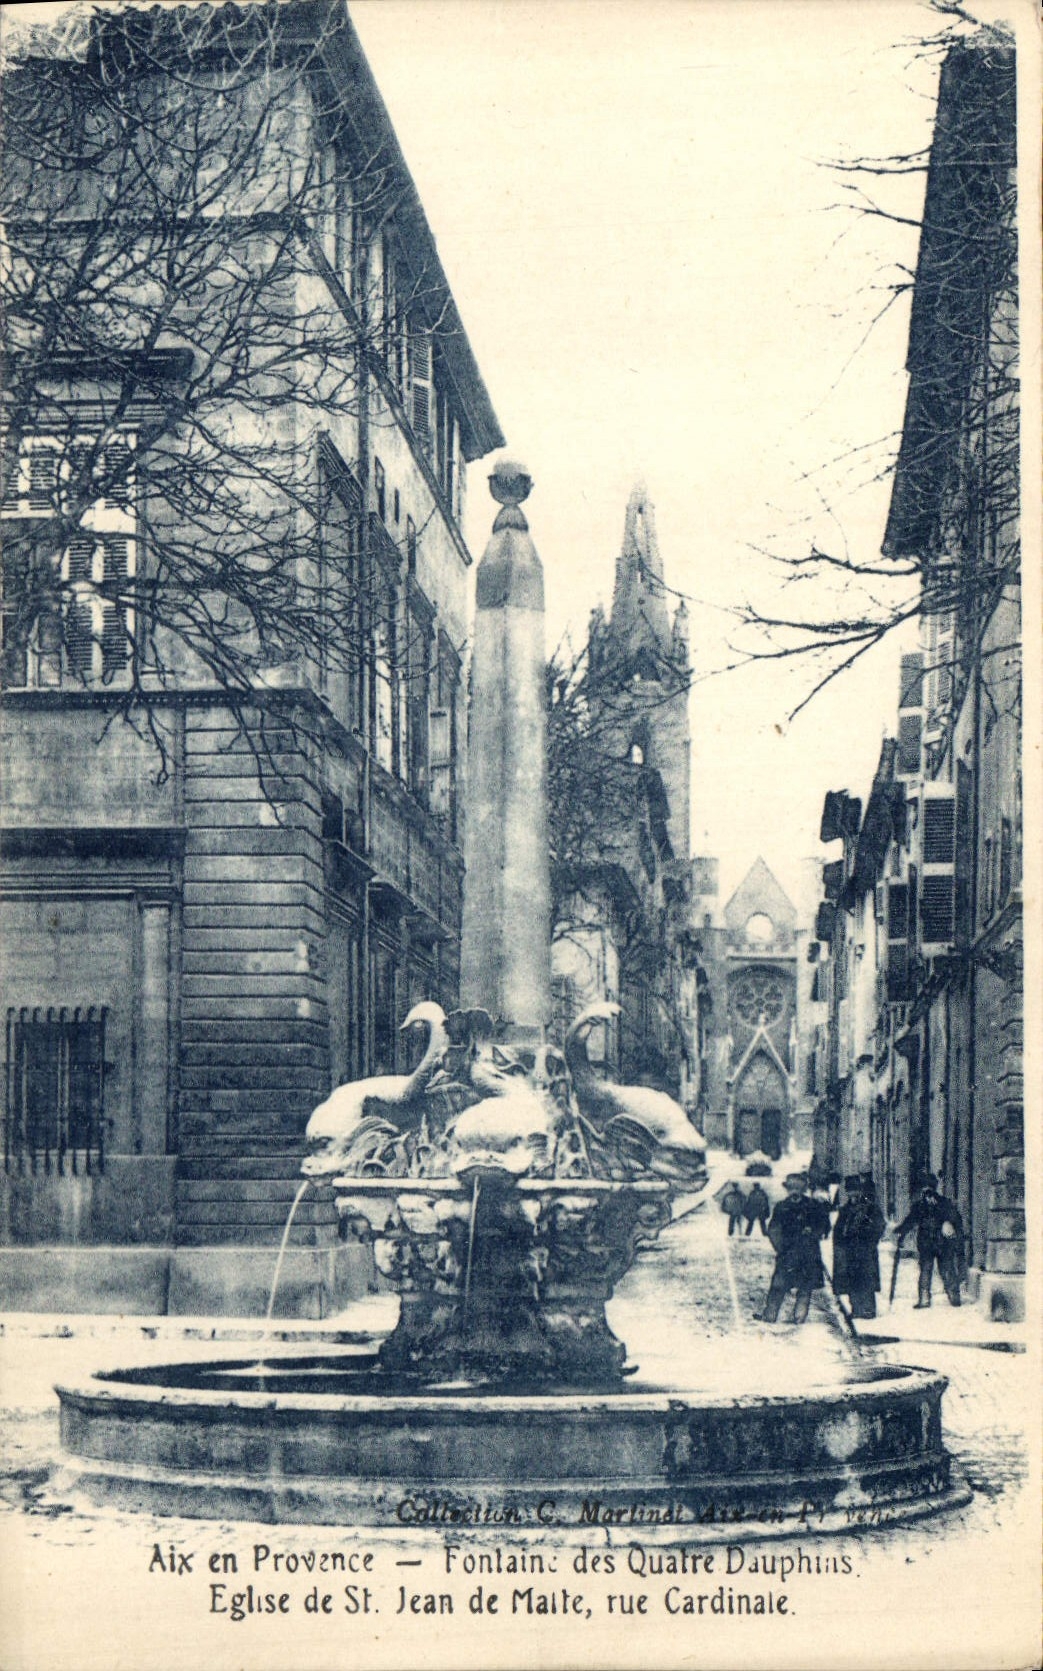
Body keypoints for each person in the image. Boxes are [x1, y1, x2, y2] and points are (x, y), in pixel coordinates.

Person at [758, 1172, 832, 1324]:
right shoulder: (781, 1207)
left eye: (798, 1188)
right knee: (778, 1286)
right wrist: (781, 1247)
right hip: (787, 1254)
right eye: (792, 1188)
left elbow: (822, 1226)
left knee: (805, 1289)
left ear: (804, 1189)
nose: (794, 1192)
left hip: (808, 1254)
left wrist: (812, 1233)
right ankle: (769, 1316)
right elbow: (773, 1229)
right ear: (787, 1189)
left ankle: (799, 1317)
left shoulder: (813, 1207)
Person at [895, 1173, 965, 1308]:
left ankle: (954, 1296)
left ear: (934, 1188)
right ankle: (924, 1299)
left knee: (946, 1268)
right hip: (926, 1244)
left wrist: (948, 1224)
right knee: (926, 1270)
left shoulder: (944, 1203)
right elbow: (910, 1221)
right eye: (924, 1189)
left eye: (929, 1189)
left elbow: (955, 1218)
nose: (927, 1193)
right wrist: (900, 1232)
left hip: (942, 1243)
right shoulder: (919, 1206)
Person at [832, 1174, 886, 1319]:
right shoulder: (845, 1210)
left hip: (865, 1251)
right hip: (849, 1251)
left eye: (855, 1190)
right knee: (851, 1280)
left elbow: (880, 1226)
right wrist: (839, 1247)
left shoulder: (870, 1208)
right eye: (850, 1191)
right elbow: (838, 1230)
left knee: (866, 1279)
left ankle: (868, 1310)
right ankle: (856, 1309)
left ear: (861, 1191)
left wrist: (869, 1241)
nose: (853, 1194)